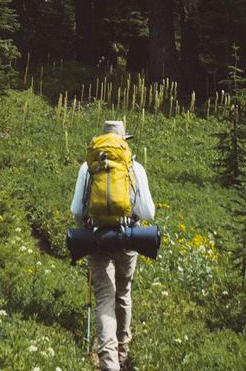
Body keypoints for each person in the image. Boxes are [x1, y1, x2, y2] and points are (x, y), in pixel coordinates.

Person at [70, 118, 155, 371]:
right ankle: (124, 350)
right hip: (128, 238)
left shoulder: (88, 167)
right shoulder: (134, 166)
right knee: (124, 291)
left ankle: (109, 362)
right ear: (124, 141)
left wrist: (88, 227)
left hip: (96, 239)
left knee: (104, 296)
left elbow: (76, 209)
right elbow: (148, 212)